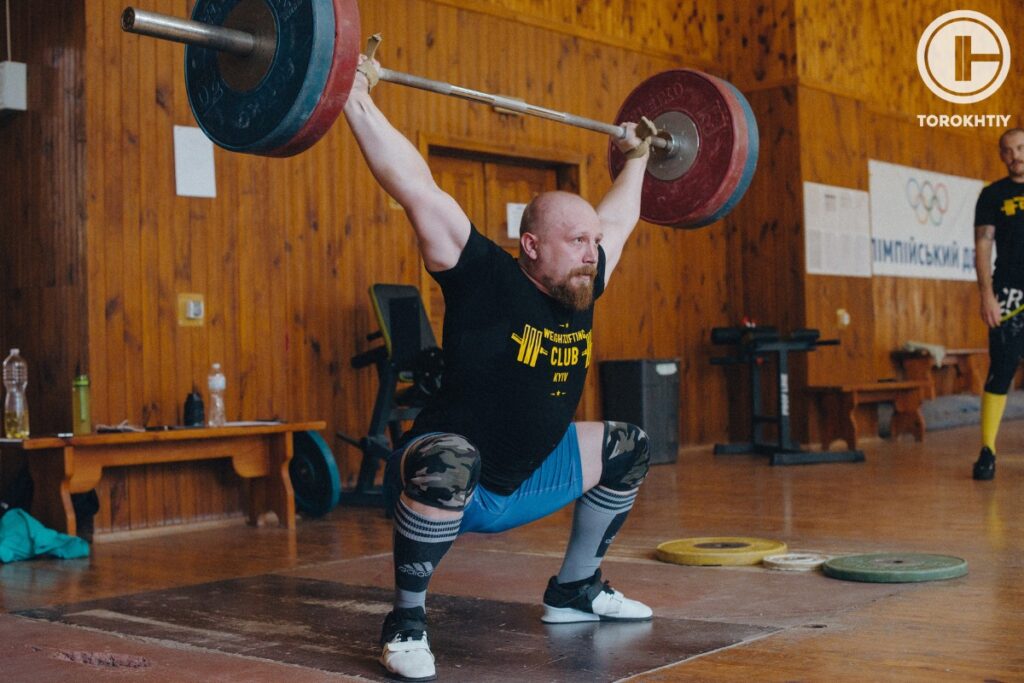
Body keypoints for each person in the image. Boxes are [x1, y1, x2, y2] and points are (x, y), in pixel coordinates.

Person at [344, 51, 656, 681]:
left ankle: (574, 589)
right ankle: (405, 621)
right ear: (531, 245)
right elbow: (415, 186)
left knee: (628, 445)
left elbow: (621, 217)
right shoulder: (480, 274)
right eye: (577, 242)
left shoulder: (583, 282)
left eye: (593, 244)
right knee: (449, 459)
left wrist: (641, 157)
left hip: (528, 478)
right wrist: (352, 94)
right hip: (447, 474)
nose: (592, 254)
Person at [972, 127, 1024, 481]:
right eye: (1008, 151)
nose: (1015, 155)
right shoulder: (992, 195)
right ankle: (988, 450)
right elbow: (982, 247)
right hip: (1008, 293)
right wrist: (986, 294)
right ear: (1001, 155)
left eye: (1020, 148)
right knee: (1001, 369)